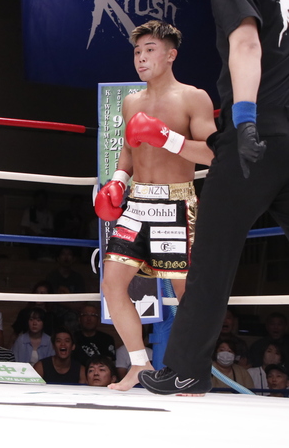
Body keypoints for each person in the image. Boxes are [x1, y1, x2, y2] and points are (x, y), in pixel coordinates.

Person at [140, 0, 289, 396]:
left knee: (211, 259)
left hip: (256, 134)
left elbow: (246, 44)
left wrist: (245, 121)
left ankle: (187, 369)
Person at [96, 20, 216, 391]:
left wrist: (167, 138)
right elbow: (129, 149)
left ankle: (190, 371)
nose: (141, 58)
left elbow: (214, 154)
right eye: (137, 51)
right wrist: (118, 180)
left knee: (186, 294)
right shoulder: (132, 101)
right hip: (137, 203)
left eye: (150, 50)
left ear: (170, 55)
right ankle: (138, 364)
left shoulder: (193, 98)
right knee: (112, 283)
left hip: (176, 203)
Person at [21, 189, 55, 260]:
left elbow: (50, 230)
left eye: (43, 199)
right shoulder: (29, 211)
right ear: (35, 200)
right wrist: (36, 237)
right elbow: (25, 227)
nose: (40, 202)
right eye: (39, 199)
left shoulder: (48, 214)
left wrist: (45, 235)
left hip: (44, 238)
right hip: (30, 238)